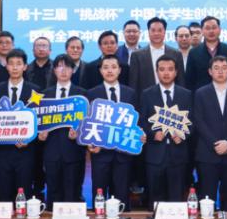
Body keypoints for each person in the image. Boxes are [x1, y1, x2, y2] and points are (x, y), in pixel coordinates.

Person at [192, 56, 227, 210]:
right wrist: (214, 143)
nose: (220, 71)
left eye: (224, 68)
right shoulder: (201, 93)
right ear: (210, 71)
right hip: (207, 153)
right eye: (216, 68)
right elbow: (198, 121)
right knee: (206, 198)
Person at [138, 55, 193, 203]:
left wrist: (183, 135)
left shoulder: (186, 94)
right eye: (162, 69)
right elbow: (141, 121)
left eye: (170, 69)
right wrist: (152, 134)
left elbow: (193, 122)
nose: (166, 73)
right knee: (155, 201)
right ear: (157, 72)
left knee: (176, 200)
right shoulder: (147, 94)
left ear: (176, 72)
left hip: (178, 155)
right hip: (154, 155)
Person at [0, 48, 41, 200]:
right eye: (11, 63)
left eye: (19, 64)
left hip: (25, 152)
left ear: (25, 67)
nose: (15, 67)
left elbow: (39, 121)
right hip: (1, 152)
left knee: (24, 194)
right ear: (6, 66)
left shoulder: (35, 91)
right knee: (3, 194)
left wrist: (29, 140)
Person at [85, 55, 138, 205]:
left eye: (114, 67)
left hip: (123, 153)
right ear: (100, 71)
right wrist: (89, 143)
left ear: (120, 70)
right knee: (99, 195)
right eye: (106, 67)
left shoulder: (130, 93)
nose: (110, 71)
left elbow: (136, 121)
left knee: (122, 197)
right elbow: (87, 122)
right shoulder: (92, 93)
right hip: (100, 153)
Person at [38, 55, 88, 203]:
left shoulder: (82, 94)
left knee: (73, 194)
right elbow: (37, 123)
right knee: (53, 194)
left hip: (74, 152)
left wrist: (79, 134)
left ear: (73, 70)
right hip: (51, 152)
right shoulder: (44, 95)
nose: (63, 70)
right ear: (54, 70)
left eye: (67, 67)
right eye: (60, 66)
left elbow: (88, 124)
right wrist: (40, 135)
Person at [185, 16, 227, 90]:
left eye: (214, 28)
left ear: (220, 30)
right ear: (202, 31)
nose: (211, 31)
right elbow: (189, 80)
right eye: (207, 28)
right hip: (201, 95)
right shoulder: (194, 53)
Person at [130, 17, 183, 94]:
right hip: (146, 98)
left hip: (171, 98)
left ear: (164, 32)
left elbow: (181, 81)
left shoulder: (176, 54)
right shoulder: (137, 55)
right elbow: (133, 84)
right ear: (148, 32)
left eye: (160, 30)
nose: (156, 33)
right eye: (153, 30)